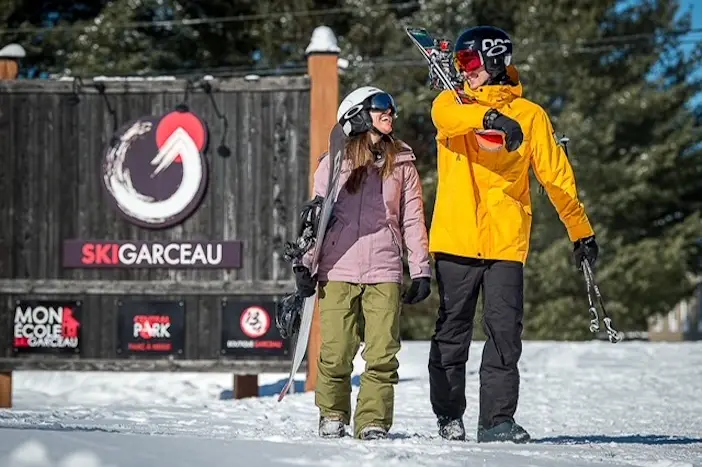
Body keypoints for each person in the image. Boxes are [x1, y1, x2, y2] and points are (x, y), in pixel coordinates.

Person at [426, 26, 599, 443]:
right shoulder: (452, 103)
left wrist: (580, 230)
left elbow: (557, 178)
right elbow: (446, 119)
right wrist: (486, 116)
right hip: (456, 237)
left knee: (504, 333)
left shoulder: (532, 115)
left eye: (470, 62)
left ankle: (496, 421)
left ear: (495, 61)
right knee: (453, 330)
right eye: (460, 63)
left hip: (505, 240)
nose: (463, 70)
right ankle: (449, 414)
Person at [294, 86, 432, 440]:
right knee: (336, 351)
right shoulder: (333, 162)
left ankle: (372, 420)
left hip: (384, 268)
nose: (391, 112)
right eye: (381, 106)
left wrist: (420, 269)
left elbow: (413, 218)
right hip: (338, 267)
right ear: (356, 114)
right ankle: (333, 413)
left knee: (383, 352)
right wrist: (305, 264)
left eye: (392, 106)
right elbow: (318, 217)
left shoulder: (402, 163)